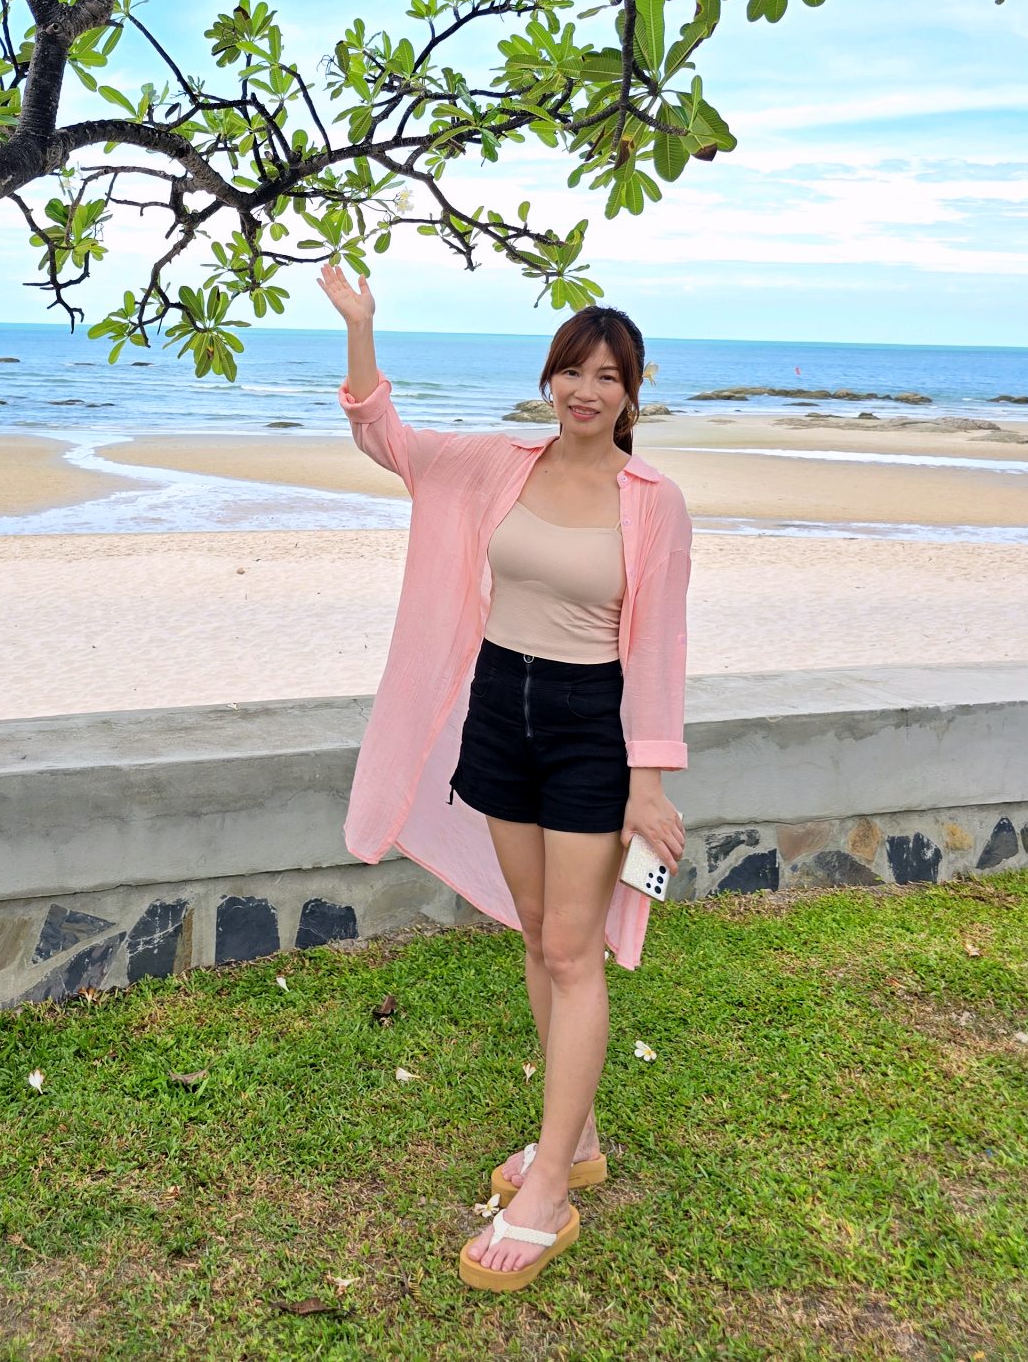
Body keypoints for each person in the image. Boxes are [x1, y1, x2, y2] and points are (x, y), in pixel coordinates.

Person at [317, 261, 691, 1294]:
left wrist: (647, 780)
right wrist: (362, 325)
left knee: (572, 951)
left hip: (588, 728)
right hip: (499, 709)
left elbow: (657, 644)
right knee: (537, 937)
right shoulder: (497, 466)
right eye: (571, 370)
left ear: (630, 393)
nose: (585, 390)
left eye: (607, 377)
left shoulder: (653, 504)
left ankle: (551, 1196)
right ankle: (572, 1142)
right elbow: (384, 436)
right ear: (549, 379)